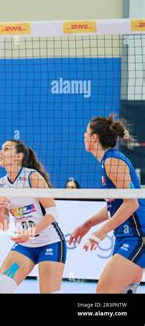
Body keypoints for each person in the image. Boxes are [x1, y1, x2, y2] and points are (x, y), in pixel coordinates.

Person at [69, 115, 144, 293]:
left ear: (94, 138)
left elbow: (131, 204)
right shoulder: (108, 161)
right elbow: (115, 206)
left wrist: (101, 232)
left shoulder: (112, 161)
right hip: (127, 236)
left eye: (86, 133)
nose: (84, 136)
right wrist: (87, 224)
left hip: (137, 237)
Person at [0, 139, 66, 293]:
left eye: (6, 149)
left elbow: (53, 212)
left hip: (50, 242)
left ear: (18, 157)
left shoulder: (32, 177)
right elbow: (3, 226)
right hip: (26, 246)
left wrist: (30, 232)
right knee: (0, 289)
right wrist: (0, 210)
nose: (0, 152)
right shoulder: (1, 184)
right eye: (1, 149)